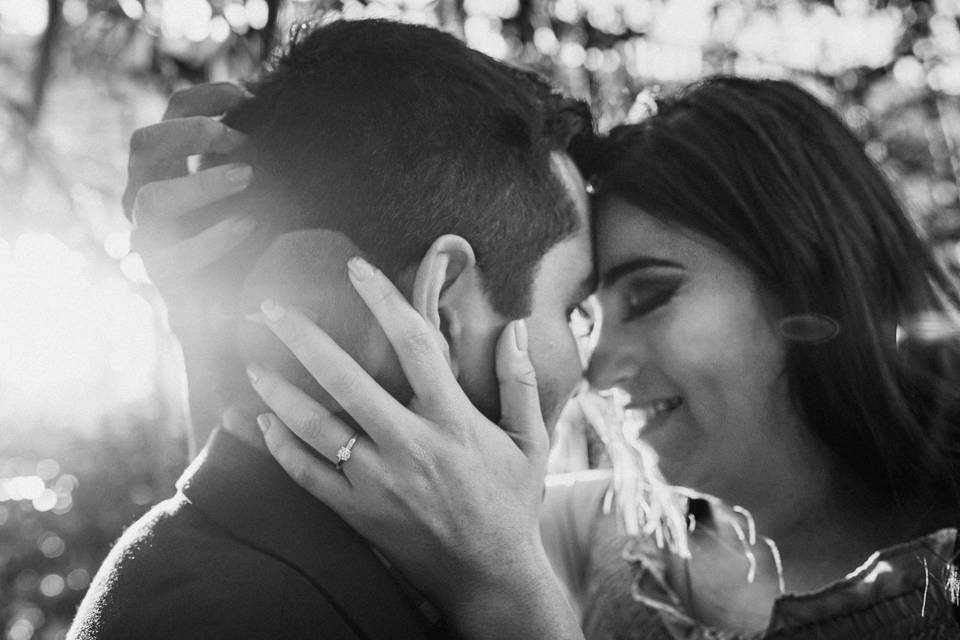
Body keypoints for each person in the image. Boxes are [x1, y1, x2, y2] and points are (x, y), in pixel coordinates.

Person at [232, 78, 960, 638]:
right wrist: (219, 299)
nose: (596, 369)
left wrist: (512, 604)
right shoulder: (573, 535)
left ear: (810, 278)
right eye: (583, 314)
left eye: (650, 298)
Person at [68, 18, 596, 640]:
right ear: (439, 306)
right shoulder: (240, 619)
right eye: (574, 311)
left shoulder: (269, 564)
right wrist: (517, 592)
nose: (589, 367)